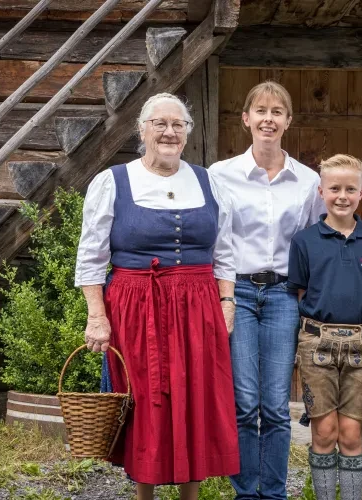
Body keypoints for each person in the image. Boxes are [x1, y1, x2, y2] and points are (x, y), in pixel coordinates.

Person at [75, 93, 240, 500]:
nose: (169, 132)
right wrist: (97, 316)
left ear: (187, 133)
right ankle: (143, 494)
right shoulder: (113, 181)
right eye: (159, 123)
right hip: (136, 303)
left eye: (178, 124)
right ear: (142, 130)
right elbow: (91, 256)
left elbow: (226, 250)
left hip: (199, 303)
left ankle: (190, 495)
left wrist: (227, 301)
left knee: (196, 393)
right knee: (146, 395)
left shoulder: (208, 180)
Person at [209, 81, 325, 500]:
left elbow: (316, 242)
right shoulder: (221, 176)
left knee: (275, 406)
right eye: (260, 110)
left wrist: (307, 296)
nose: (268, 119)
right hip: (237, 292)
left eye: (277, 112)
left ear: (288, 121)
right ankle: (246, 492)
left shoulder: (308, 181)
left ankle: (273, 493)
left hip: (282, 297)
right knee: (244, 403)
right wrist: (221, 295)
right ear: (246, 119)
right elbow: (216, 240)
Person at [288, 154, 362, 500]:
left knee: (351, 435)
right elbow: (301, 291)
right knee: (324, 432)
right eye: (334, 188)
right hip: (318, 346)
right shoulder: (304, 242)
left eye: (350, 188)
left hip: (361, 346)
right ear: (321, 191)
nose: (341, 196)